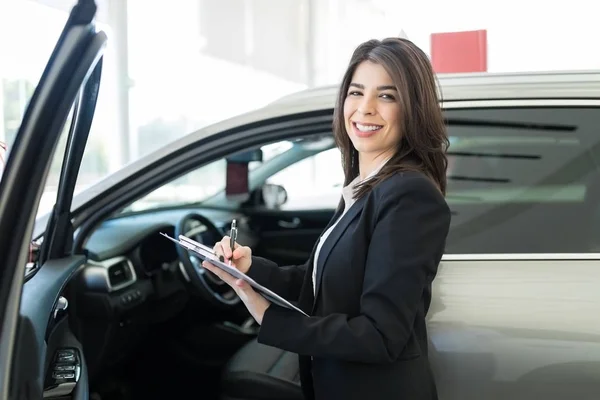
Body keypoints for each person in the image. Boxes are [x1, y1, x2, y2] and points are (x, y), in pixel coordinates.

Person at [203, 37, 451, 400]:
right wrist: (250, 269)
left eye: (386, 96)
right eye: (356, 92)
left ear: (412, 108)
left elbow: (381, 335)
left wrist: (267, 315)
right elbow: (323, 285)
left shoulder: (409, 196)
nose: (364, 109)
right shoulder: (366, 187)